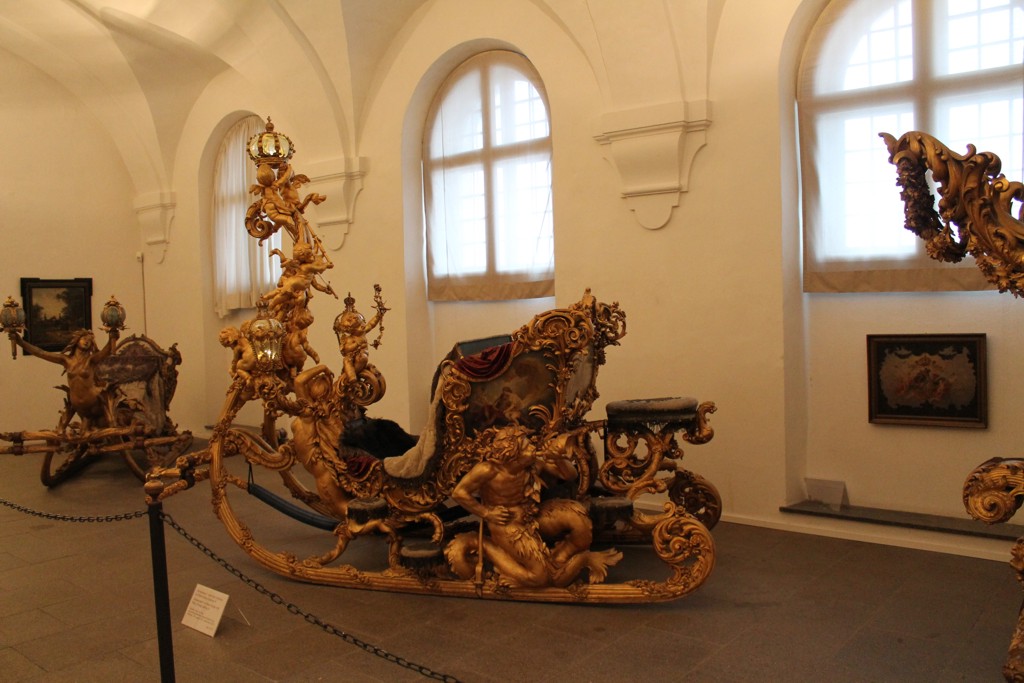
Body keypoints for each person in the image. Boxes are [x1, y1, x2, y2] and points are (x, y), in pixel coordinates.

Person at [447, 425, 622, 588]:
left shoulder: (533, 462)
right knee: (538, 578)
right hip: (506, 522)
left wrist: (558, 459)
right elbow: (459, 493)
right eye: (526, 447)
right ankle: (485, 547)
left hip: (532, 512)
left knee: (578, 519)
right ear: (513, 454)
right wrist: (486, 513)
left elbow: (570, 475)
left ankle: (558, 560)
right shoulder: (488, 470)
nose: (532, 448)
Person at [12, 327, 119, 430]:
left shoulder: (91, 360)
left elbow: (105, 352)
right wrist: (20, 342)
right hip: (79, 407)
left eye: (90, 340)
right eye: (84, 338)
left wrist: (112, 338)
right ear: (76, 340)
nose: (87, 341)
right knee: (86, 434)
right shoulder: (66, 360)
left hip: (95, 405)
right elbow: (40, 353)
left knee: (107, 428)